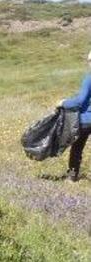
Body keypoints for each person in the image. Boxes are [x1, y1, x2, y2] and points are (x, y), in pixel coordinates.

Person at [58, 49, 91, 182]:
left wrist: (64, 103)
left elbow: (80, 101)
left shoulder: (89, 79)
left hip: (86, 120)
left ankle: (72, 176)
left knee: (77, 148)